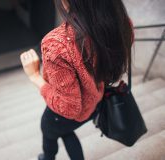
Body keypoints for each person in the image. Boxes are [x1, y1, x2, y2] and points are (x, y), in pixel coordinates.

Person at [20, 0, 134, 159]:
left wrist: (35, 76)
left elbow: (69, 108)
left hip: (65, 114)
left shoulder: (57, 45)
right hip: (95, 102)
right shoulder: (123, 23)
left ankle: (47, 157)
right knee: (65, 131)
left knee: (49, 130)